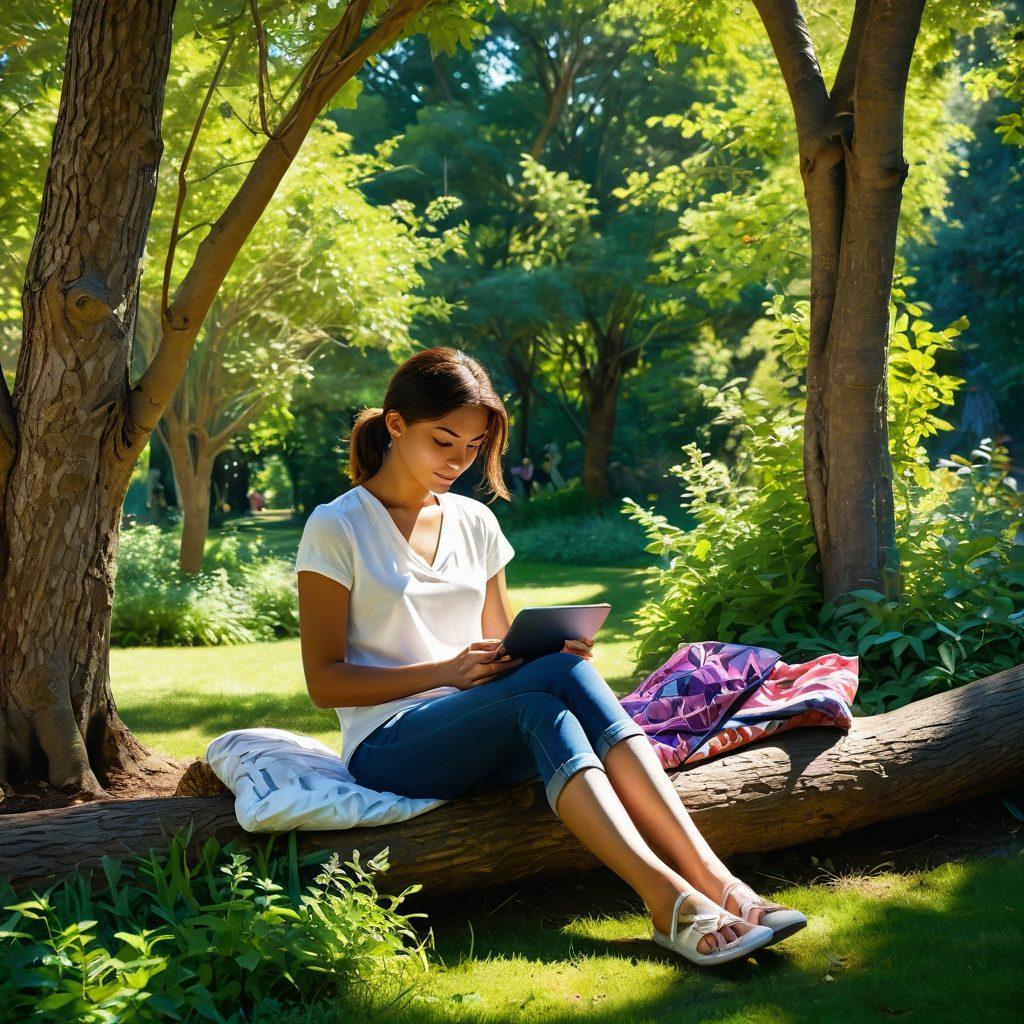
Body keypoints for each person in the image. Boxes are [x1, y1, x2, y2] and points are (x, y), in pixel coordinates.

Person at [294, 346, 803, 966]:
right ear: (397, 425)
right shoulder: (337, 526)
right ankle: (674, 898)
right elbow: (324, 682)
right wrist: (447, 671)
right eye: (443, 441)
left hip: (484, 723)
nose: (459, 462)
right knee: (554, 685)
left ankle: (712, 884)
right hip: (391, 745)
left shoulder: (475, 521)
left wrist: (543, 647)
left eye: (473, 447)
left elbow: (503, 645)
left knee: (552, 685)